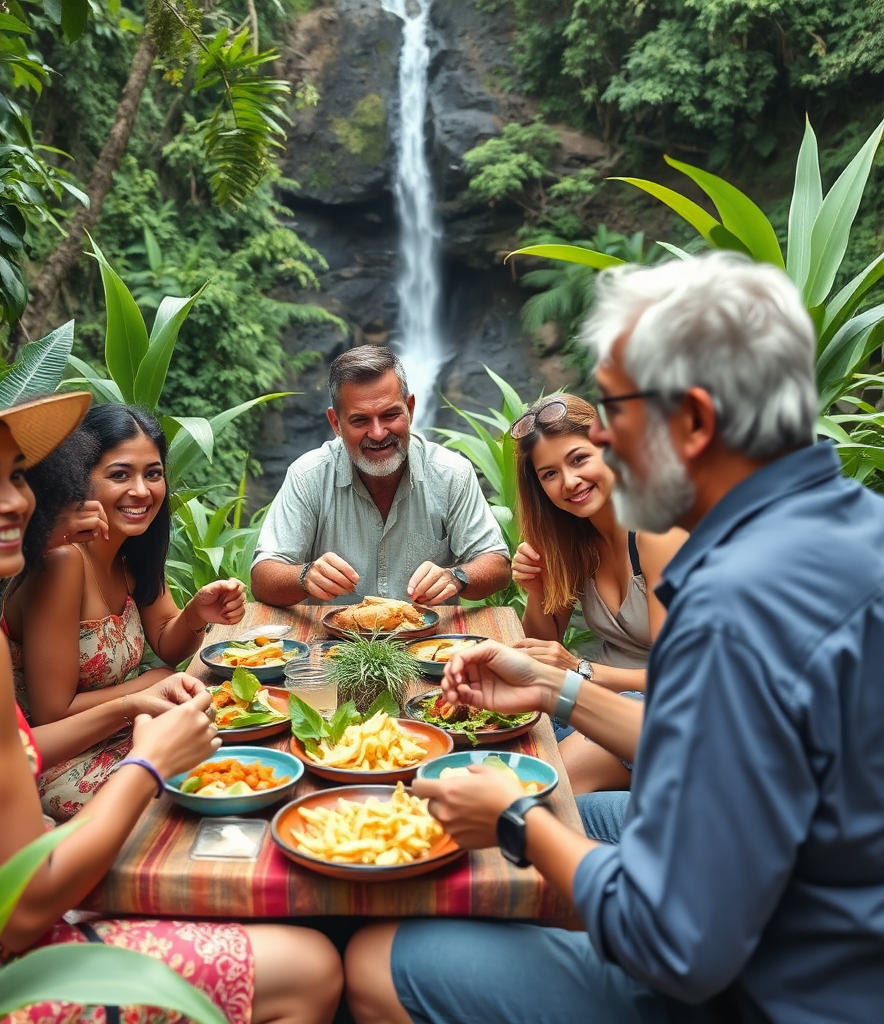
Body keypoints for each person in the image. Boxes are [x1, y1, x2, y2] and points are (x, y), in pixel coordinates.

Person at [344, 251, 884, 1024]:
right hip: (820, 923)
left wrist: (515, 819)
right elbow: (740, 759)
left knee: (374, 960)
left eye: (614, 415)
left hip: (770, 988)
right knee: (566, 818)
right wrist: (551, 687)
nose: (607, 445)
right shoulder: (855, 532)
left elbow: (678, 945)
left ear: (693, 420)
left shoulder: (733, 602)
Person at [0, 366, 342, 1024]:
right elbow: (25, 911)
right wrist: (147, 764)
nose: (18, 503)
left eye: (16, 476)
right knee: (312, 966)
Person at [2, 404, 247, 821]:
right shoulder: (64, 562)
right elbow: (51, 713)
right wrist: (148, 686)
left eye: (153, 473)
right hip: (57, 762)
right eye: (120, 475)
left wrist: (195, 614)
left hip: (122, 732)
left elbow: (169, 645)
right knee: (208, 795)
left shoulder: (130, 552)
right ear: (79, 480)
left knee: (240, 759)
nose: (142, 490)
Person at [510, 393, 686, 794]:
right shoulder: (577, 538)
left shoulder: (657, 533)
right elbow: (543, 646)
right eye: (549, 474)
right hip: (598, 697)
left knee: (529, 793)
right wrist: (538, 589)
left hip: (660, 713)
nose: (569, 482)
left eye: (578, 459)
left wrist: (581, 671)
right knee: (495, 738)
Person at [251, 346, 511, 607]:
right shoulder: (308, 476)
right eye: (360, 420)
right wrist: (304, 576)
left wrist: (455, 578)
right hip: (331, 644)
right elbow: (263, 577)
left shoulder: (452, 474)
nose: (377, 433)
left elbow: (497, 565)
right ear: (335, 424)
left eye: (390, 414)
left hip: (430, 643)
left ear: (409, 409)